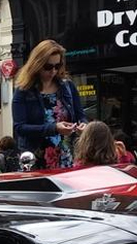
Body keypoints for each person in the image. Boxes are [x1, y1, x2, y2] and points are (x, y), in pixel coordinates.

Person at [12, 39, 87, 169]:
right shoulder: (24, 90)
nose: (53, 71)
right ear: (37, 64)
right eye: (48, 67)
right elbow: (20, 128)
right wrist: (54, 128)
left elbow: (80, 115)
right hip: (35, 157)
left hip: (65, 155)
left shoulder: (67, 86)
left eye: (57, 66)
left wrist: (83, 125)